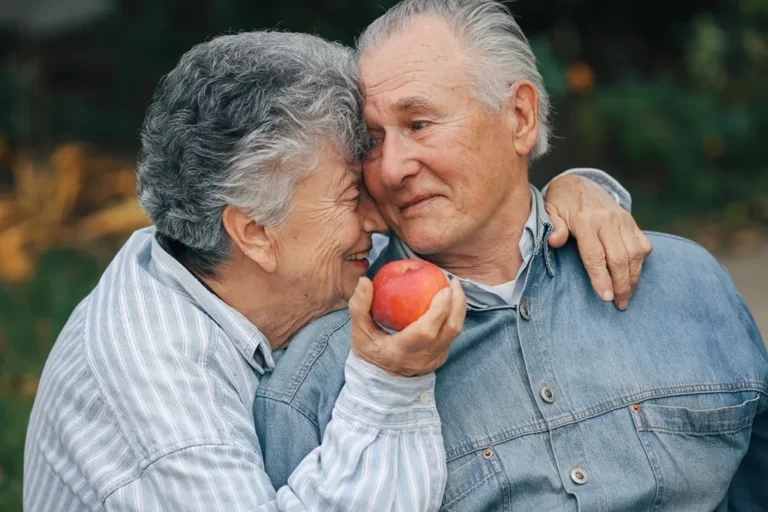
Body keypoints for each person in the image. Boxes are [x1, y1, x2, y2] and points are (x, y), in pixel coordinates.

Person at [24, 30, 646, 511]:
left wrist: (569, 194)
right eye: (352, 195)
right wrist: (386, 387)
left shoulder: (242, 262)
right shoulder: (157, 387)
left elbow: (474, 227)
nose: (378, 220)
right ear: (255, 233)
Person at [254, 1, 768, 510]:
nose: (391, 169)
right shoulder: (321, 376)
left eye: (419, 124)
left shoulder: (688, 284)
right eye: (371, 140)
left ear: (520, 117)